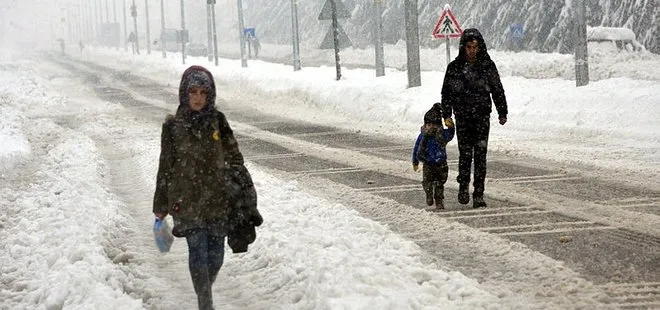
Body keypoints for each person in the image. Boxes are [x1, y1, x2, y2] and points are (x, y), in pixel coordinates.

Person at [152, 65, 261, 310]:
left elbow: (235, 156)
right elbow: (165, 167)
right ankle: (205, 302)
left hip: (218, 200)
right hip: (187, 201)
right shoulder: (172, 127)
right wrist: (160, 206)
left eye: (203, 92)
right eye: (193, 92)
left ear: (209, 94)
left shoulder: (218, 121)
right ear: (185, 94)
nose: (198, 97)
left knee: (216, 257)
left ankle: (205, 289)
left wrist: (238, 184)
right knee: (198, 253)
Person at [439, 28, 508, 209]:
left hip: (482, 117)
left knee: (480, 156)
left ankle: (478, 193)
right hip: (462, 117)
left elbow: (497, 88)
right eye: (469, 47)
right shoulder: (454, 68)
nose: (472, 50)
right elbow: (446, 93)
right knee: (465, 154)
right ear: (463, 47)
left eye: (475, 47)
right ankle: (463, 186)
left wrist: (502, 111)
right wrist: (446, 114)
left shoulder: (487, 66)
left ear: (480, 47)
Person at [412, 106, 455, 210]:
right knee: (427, 182)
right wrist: (415, 161)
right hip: (428, 164)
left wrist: (451, 126)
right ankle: (429, 193)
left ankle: (439, 200)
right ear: (425, 125)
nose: (432, 127)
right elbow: (416, 148)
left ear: (439, 125)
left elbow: (450, 134)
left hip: (441, 163)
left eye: (435, 124)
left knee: (440, 184)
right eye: (429, 124)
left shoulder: (442, 135)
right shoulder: (422, 136)